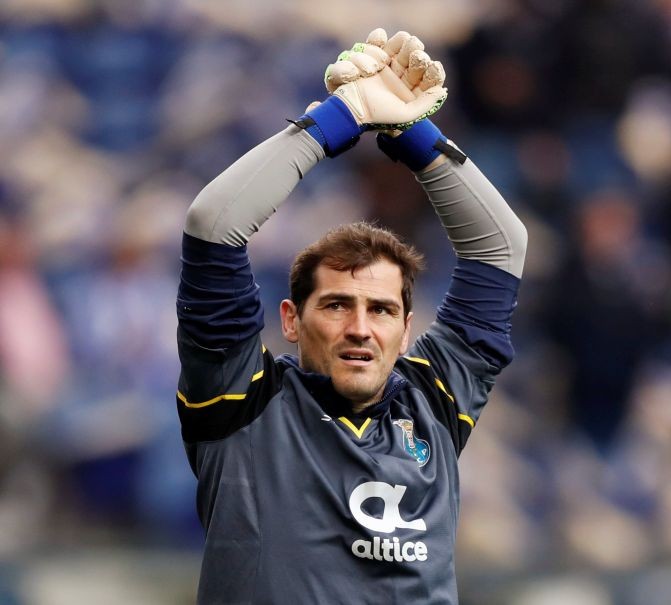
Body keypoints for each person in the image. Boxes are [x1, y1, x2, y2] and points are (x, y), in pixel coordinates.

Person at [176, 28, 527, 604]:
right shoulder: (241, 403)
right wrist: (344, 116)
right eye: (337, 304)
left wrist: (410, 129)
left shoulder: (433, 400)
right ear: (291, 320)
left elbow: (500, 249)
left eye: (382, 309)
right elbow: (214, 226)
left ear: (405, 329)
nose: (361, 327)